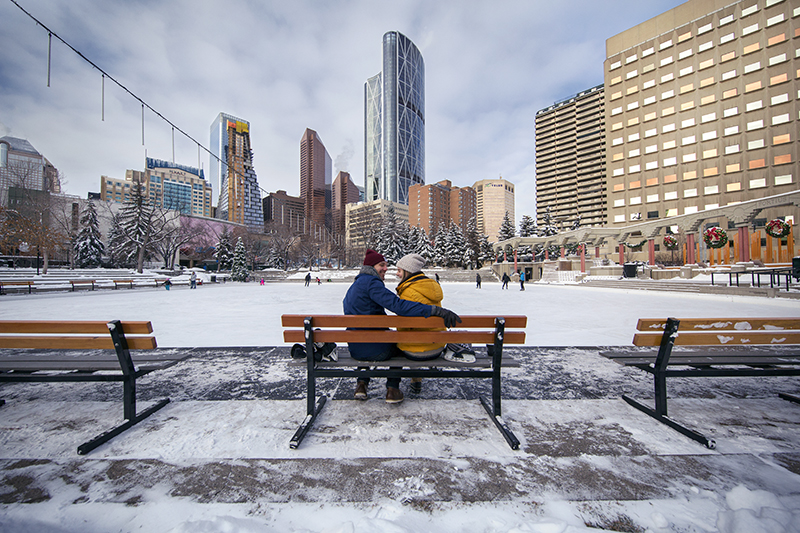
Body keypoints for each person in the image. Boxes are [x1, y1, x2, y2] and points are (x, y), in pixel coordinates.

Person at [343, 249, 461, 404]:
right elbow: (398, 306)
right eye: (381, 265)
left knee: (370, 339)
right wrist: (435, 310)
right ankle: (392, 389)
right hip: (374, 349)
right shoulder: (372, 283)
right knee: (399, 345)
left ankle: (361, 384)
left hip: (355, 348)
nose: (386, 268)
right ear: (371, 267)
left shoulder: (356, 285)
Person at [395, 253, 447, 395]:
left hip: (414, 352)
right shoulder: (432, 287)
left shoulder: (407, 292)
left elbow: (403, 327)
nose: (397, 274)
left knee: (404, 341)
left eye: (399, 270)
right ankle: (416, 379)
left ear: (408, 271)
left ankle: (410, 380)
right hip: (437, 347)